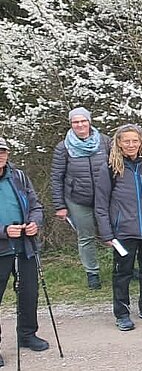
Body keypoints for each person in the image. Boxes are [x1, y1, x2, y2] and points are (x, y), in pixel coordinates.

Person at [94, 124, 142, 332]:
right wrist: (107, 232)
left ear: (141, 142)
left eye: (134, 140)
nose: (130, 144)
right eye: (126, 141)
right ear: (118, 143)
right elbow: (101, 204)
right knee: (123, 273)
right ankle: (122, 313)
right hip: (123, 232)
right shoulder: (109, 168)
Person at [0, 136, 51, 359]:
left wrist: (34, 223)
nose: (0, 155)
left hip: (24, 245)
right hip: (2, 247)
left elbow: (35, 205)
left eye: (3, 151)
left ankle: (27, 334)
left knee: (29, 293)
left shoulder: (18, 176)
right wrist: (2, 231)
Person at [51, 106, 108, 290]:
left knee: (117, 232)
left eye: (83, 121)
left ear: (89, 122)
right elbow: (56, 177)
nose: (80, 125)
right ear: (71, 124)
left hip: (106, 197)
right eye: (76, 122)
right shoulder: (63, 147)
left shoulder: (105, 142)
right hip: (77, 199)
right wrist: (60, 205)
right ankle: (92, 273)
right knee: (86, 237)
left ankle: (122, 266)